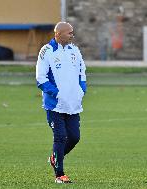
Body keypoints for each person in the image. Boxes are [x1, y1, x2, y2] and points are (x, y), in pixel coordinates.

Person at [36, 22, 87, 184]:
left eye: (73, 32)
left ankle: (55, 158)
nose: (72, 35)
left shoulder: (75, 50)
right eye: (69, 33)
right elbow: (41, 78)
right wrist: (57, 93)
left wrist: (81, 90)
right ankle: (60, 174)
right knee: (60, 138)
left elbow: (82, 72)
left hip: (73, 104)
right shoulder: (47, 51)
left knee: (74, 137)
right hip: (55, 105)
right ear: (58, 34)